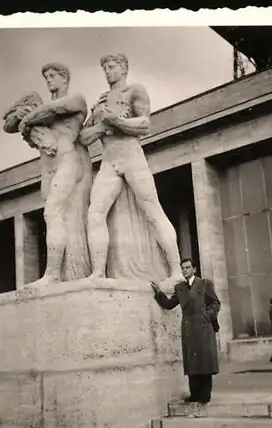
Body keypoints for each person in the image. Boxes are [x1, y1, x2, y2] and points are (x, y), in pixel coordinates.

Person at [79, 54, 181, 283]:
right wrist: (104, 125)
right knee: (95, 214)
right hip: (109, 160)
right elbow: (84, 138)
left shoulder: (134, 91)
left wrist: (117, 122)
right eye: (104, 68)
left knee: (153, 210)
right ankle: (98, 272)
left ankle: (176, 271)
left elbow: (145, 124)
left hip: (131, 156)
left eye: (111, 67)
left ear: (123, 68)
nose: (107, 72)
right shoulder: (100, 102)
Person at [4, 62, 93, 286]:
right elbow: (7, 125)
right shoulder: (39, 108)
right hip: (48, 167)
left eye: (53, 76)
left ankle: (51, 275)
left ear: (65, 78)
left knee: (53, 214)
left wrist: (27, 117)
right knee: (54, 218)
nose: (49, 81)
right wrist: (21, 115)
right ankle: (61, 273)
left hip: (67, 161)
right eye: (46, 77)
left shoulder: (75, 100)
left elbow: (53, 110)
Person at [151, 258, 221, 404]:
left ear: (194, 269)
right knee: (192, 361)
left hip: (203, 327)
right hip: (188, 328)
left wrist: (207, 316)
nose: (185, 270)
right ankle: (194, 394)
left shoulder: (205, 284)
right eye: (183, 268)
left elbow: (215, 302)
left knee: (204, 361)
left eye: (188, 267)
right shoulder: (180, 288)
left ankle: (205, 395)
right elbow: (169, 304)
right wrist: (159, 293)